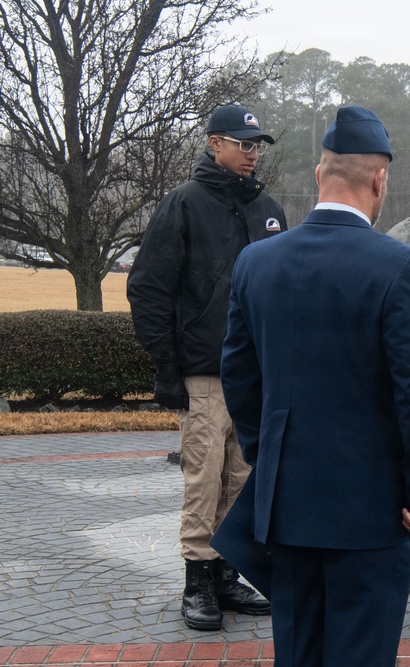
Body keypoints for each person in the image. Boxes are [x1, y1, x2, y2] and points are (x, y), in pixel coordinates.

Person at [216, 105, 410, 667]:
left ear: (320, 175)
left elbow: (239, 377)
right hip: (371, 509)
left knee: (299, 653)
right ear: (379, 179)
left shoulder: (255, 262)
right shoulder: (399, 267)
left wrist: (269, 456)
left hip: (287, 502)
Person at [127, 104, 283, 630]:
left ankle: (226, 574)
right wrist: (167, 367)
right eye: (243, 143)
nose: (252, 152)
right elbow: (149, 288)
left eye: (257, 144)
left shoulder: (269, 209)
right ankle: (198, 578)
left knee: (241, 477)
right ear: (215, 143)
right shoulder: (183, 204)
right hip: (203, 370)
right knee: (204, 477)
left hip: (256, 375)